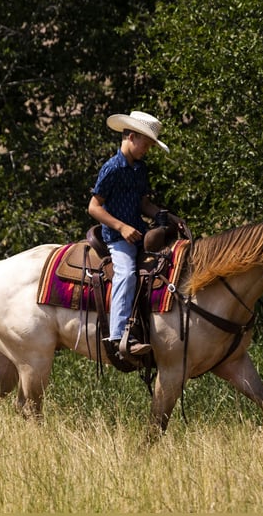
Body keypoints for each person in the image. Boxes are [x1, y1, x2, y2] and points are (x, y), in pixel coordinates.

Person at [88, 111, 181, 357]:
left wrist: (166, 215)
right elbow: (93, 207)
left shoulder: (139, 168)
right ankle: (119, 336)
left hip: (138, 234)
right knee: (127, 273)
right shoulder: (112, 169)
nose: (147, 150)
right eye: (147, 144)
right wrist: (121, 227)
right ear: (131, 137)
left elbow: (143, 203)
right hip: (117, 238)